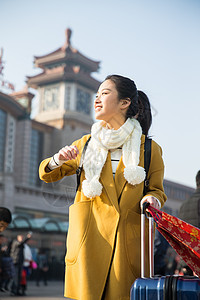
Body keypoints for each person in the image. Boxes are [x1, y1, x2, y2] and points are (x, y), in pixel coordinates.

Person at [39, 74, 167, 300]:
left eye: (104, 93)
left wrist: (153, 199)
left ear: (124, 103)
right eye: (96, 95)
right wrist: (57, 159)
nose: (97, 99)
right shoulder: (86, 143)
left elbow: (157, 190)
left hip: (126, 244)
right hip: (89, 241)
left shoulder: (149, 149)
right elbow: (47, 174)